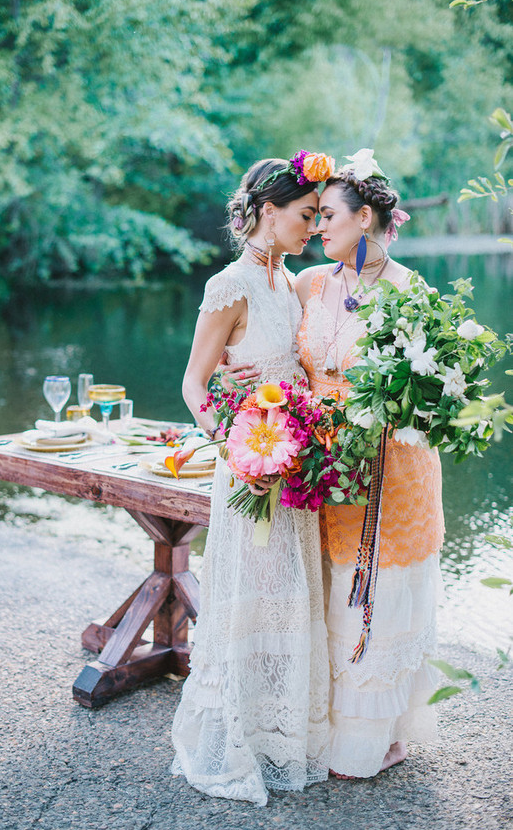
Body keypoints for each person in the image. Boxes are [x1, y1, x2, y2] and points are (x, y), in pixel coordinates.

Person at [171, 154, 331, 806]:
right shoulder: (228, 287)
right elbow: (193, 382)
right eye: (305, 215)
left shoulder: (291, 286)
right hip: (248, 470)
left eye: (321, 216)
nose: (314, 227)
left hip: (293, 472)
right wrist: (236, 447)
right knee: (248, 598)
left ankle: (279, 735)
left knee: (289, 596)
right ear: (267, 212)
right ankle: (234, 739)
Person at [294, 152, 445, 779]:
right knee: (331, 585)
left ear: (367, 218)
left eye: (327, 215)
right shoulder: (309, 285)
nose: (317, 226)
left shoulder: (413, 291)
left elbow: (432, 396)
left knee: (377, 588)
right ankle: (327, 721)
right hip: (324, 463)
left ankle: (374, 736)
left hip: (392, 465)